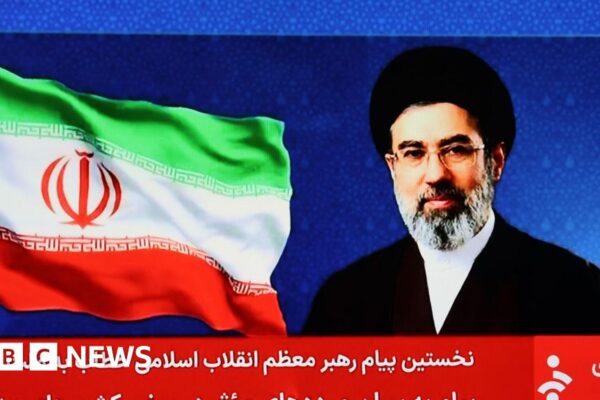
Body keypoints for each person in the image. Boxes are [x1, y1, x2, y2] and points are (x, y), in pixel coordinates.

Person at [303, 46, 600, 335]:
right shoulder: (343, 300)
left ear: (495, 161)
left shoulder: (575, 290)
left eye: (456, 150)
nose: (436, 175)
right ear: (393, 167)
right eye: (414, 153)